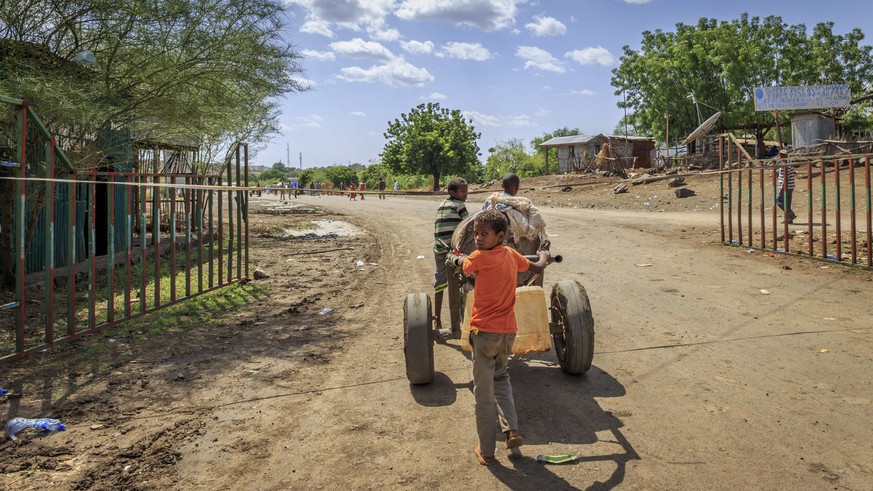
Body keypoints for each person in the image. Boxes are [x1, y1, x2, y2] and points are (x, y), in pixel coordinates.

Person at [458, 209, 550, 466]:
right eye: (475, 233)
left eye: (483, 234)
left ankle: (487, 451)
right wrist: (543, 254)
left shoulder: (477, 258)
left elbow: (463, 266)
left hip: (484, 334)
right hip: (507, 333)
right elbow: (537, 266)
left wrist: (455, 260)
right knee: (502, 377)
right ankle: (512, 430)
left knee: (483, 394)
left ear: (500, 235)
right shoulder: (511, 254)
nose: (477, 238)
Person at [432, 178, 469, 330]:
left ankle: (437, 319)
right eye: (463, 192)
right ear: (453, 192)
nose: (466, 194)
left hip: (439, 248)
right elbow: (468, 224)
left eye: (466, 191)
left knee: (440, 283)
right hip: (454, 251)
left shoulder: (442, 204)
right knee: (470, 277)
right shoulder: (460, 205)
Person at [776, 149, 796, 224]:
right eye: (780, 155)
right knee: (787, 203)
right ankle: (789, 219)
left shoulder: (786, 163)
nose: (781, 156)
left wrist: (783, 186)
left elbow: (785, 175)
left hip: (786, 186)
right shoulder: (787, 162)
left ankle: (791, 214)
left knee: (779, 200)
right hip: (790, 185)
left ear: (786, 155)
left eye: (783, 155)